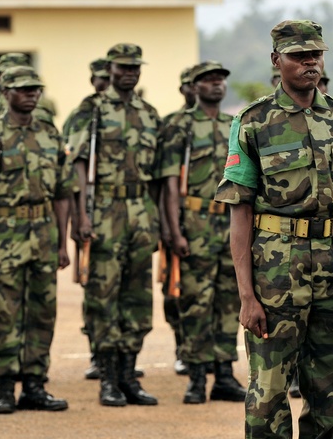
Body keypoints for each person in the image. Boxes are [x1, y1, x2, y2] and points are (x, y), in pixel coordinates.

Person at [214, 20, 333, 439]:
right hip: (275, 269)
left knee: (330, 387)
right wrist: (245, 293)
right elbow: (238, 211)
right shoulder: (253, 122)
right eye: (299, 55)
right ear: (277, 60)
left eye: (316, 54)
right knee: (268, 389)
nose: (310, 63)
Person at [0, 65, 73, 414]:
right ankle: (4, 386)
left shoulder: (49, 133)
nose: (31, 94)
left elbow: (61, 191)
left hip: (43, 231)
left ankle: (34, 385)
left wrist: (61, 242)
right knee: (3, 312)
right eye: (23, 89)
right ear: (5, 92)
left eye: (35, 89)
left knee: (42, 312)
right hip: (3, 233)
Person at [70, 43, 161, 408]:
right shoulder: (90, 111)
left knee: (137, 297)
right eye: (123, 67)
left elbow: (158, 174)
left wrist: (156, 220)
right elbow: (76, 163)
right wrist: (81, 215)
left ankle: (129, 376)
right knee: (103, 297)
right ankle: (108, 378)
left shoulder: (149, 114)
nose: (129, 73)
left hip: (140, 210)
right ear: (110, 69)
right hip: (104, 208)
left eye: (135, 67)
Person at [159, 60, 244, 405]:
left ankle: (224, 372)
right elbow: (167, 182)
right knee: (195, 301)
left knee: (229, 297)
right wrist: (172, 229)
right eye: (208, 81)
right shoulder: (179, 126)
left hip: (230, 220)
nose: (216, 86)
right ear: (194, 87)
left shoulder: (234, 124)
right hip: (194, 221)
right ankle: (196, 375)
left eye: (220, 80)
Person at [160, 65, 198, 377]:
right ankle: (181, 347)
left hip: (214, 222)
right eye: (187, 85)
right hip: (184, 221)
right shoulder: (172, 126)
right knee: (178, 292)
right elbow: (165, 185)